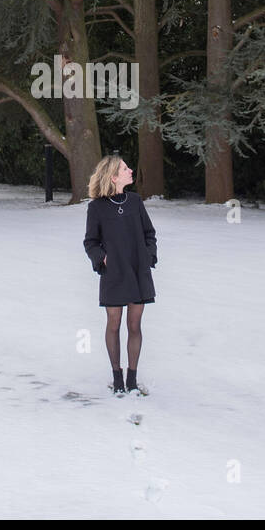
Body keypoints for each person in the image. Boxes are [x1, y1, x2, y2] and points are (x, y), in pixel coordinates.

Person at [83, 155, 157, 394]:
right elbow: (90, 242)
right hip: (114, 274)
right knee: (113, 324)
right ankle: (117, 379)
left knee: (134, 325)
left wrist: (148, 256)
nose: (130, 170)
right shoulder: (96, 208)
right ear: (113, 177)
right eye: (125, 169)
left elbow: (149, 233)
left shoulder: (135, 201)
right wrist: (102, 258)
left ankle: (132, 381)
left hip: (137, 271)